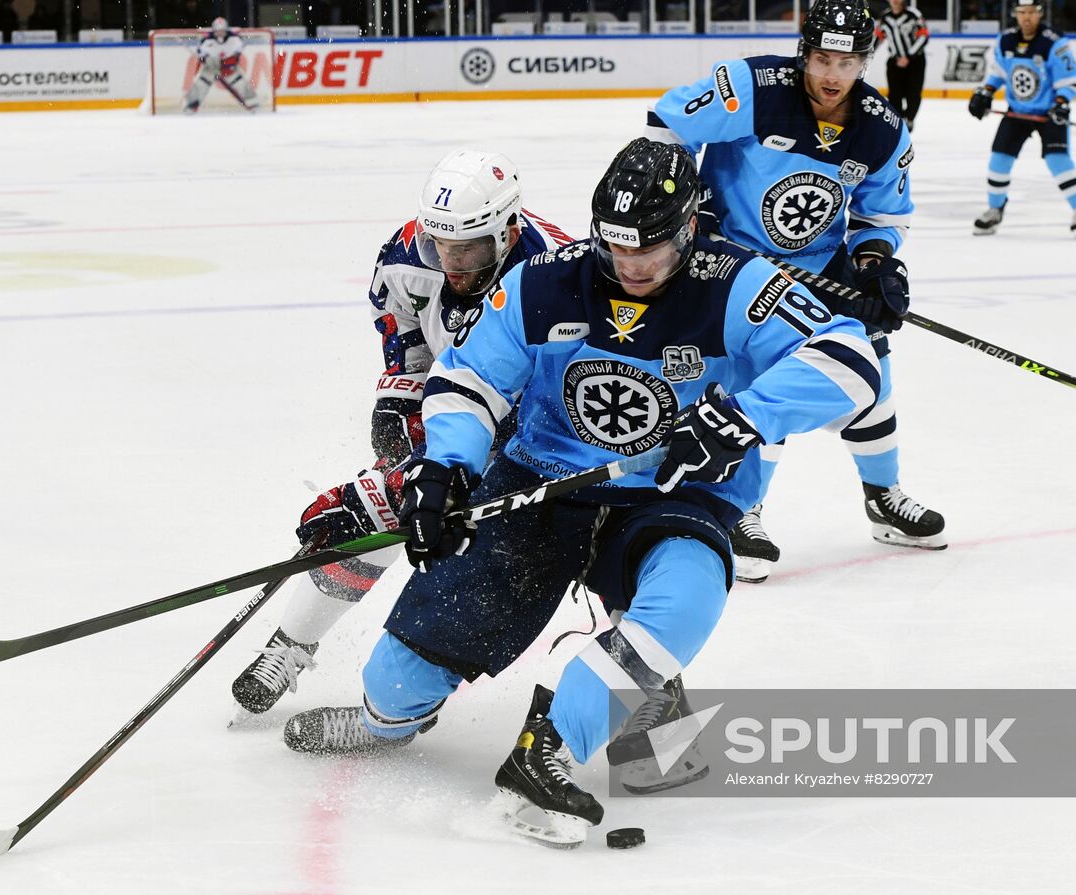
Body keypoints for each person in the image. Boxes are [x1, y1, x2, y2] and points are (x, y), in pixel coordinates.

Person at [282, 139, 881, 847]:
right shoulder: (545, 280)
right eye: (615, 251)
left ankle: (551, 751)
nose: (629, 270)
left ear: (688, 229)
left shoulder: (736, 282)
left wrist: (742, 417)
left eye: (649, 256)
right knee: (395, 681)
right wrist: (445, 467)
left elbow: (851, 361)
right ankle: (390, 720)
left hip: (667, 495)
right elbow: (469, 379)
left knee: (688, 590)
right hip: (540, 483)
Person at [229, 149, 570, 717]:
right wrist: (401, 441)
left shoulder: (556, 272)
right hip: (458, 410)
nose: (453, 263)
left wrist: (429, 470)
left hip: (544, 439)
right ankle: (291, 643)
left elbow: (549, 399)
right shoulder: (405, 258)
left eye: (470, 248)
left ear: (508, 231)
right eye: (443, 246)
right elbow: (411, 355)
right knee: (386, 515)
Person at [644, 0, 947, 583]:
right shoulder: (753, 87)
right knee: (759, 384)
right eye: (824, 58)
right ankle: (740, 507)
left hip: (817, 264)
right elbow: (669, 121)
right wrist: (686, 206)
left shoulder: (882, 129)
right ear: (804, 53)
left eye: (849, 61)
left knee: (869, 370)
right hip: (731, 261)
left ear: (865, 61)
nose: (833, 75)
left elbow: (883, 216)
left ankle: (883, 498)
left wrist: (877, 263)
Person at [967, 0, 1076, 238]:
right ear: (1015, 14)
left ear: (1040, 13)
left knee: (1058, 161)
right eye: (1022, 12)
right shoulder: (1005, 40)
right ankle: (995, 210)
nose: (1027, 18)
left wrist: (1061, 103)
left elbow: (1071, 80)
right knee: (999, 161)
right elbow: (998, 73)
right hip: (1018, 112)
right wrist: (985, 92)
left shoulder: (1054, 42)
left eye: (1032, 13)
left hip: (1048, 113)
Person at [185, 18, 262, 114]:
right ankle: (190, 106)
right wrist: (207, 60)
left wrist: (230, 62)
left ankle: (254, 104)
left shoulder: (235, 38)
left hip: (229, 68)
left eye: (222, 30)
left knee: (241, 83)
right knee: (201, 84)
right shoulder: (206, 40)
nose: (220, 33)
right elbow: (200, 54)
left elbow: (238, 52)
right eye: (218, 31)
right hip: (211, 68)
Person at [875, 0, 929, 131]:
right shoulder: (885, 17)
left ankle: (909, 119)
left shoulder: (913, 14)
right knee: (894, 95)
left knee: (914, 93)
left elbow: (924, 36)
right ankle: (898, 121)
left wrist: (909, 56)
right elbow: (878, 37)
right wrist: (866, 55)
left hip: (915, 61)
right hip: (895, 62)